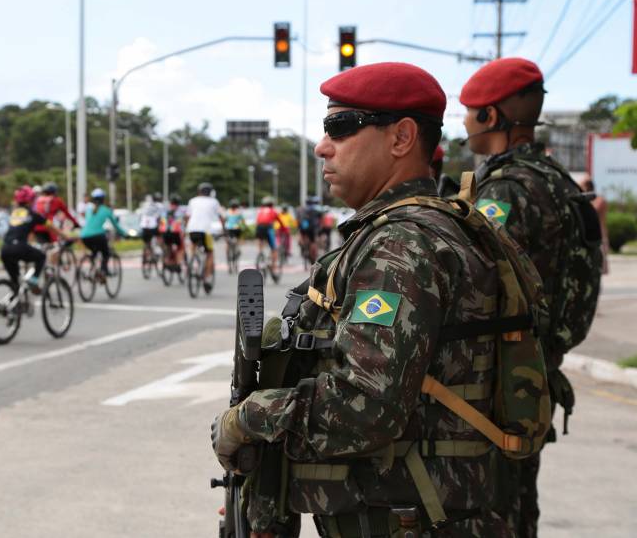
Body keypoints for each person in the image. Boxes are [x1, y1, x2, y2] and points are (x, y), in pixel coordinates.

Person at [211, 62, 541, 537]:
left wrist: (245, 420)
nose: (322, 146)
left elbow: (364, 408)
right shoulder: (432, 228)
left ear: (401, 138)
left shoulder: (401, 245)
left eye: (340, 127)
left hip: (411, 522)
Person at [460, 57, 603, 538]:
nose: (464, 122)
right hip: (537, 368)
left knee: (493, 509)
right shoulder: (559, 182)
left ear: (491, 117)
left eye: (470, 111)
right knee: (520, 503)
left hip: (502, 377)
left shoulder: (506, 190)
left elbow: (474, 279)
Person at [0, 185, 65, 293]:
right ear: (30, 200)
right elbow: (51, 226)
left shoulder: (14, 213)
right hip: (20, 247)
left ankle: (14, 302)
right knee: (41, 257)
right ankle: (33, 281)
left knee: (15, 283)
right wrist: (66, 236)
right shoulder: (33, 214)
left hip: (5, 249)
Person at [185, 182, 225, 292]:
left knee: (193, 246)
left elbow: (187, 216)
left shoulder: (192, 201)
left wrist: (187, 228)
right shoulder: (214, 202)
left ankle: (192, 262)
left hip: (192, 229)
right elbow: (221, 217)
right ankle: (206, 278)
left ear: (199, 191)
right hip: (206, 231)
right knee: (210, 253)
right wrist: (223, 229)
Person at [79, 188, 126, 281]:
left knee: (94, 252)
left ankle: (92, 270)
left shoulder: (89, 209)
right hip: (98, 236)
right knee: (106, 254)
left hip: (84, 236)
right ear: (103, 199)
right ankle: (103, 271)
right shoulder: (106, 210)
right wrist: (124, 234)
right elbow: (116, 226)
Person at [32, 181, 80, 246]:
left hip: (36, 227)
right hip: (49, 227)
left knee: (43, 248)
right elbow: (67, 214)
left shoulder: (38, 200)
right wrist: (76, 224)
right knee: (56, 246)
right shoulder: (56, 200)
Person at [581, 176, 609, 275]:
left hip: (599, 235)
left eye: (582, 185)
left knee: (597, 266)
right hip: (589, 235)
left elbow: (594, 210)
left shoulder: (599, 200)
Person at [254, 196, 285, 277]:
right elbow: (280, 222)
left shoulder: (260, 211)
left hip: (259, 228)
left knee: (261, 243)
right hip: (267, 228)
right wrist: (284, 229)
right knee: (274, 249)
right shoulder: (273, 211)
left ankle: (260, 255)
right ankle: (273, 268)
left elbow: (257, 222)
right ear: (272, 204)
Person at [159, 196, 185, 272]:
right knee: (180, 248)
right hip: (175, 232)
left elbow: (161, 221)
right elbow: (182, 224)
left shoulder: (165, 210)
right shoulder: (181, 210)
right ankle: (178, 264)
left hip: (165, 232)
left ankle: (167, 261)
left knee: (168, 246)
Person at [296, 196, 323, 263]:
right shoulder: (315, 210)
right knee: (313, 242)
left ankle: (302, 246)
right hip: (312, 228)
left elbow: (298, 219)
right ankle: (313, 255)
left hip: (303, 228)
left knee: (302, 235)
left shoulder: (301, 209)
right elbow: (320, 219)